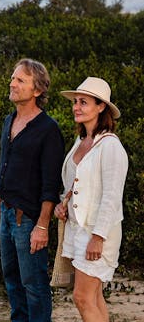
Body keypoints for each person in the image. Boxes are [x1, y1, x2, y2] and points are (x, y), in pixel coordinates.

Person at [0, 58, 65, 322]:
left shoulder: (48, 129)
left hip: (29, 219)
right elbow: (4, 166)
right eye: (13, 77)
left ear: (37, 90)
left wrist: (42, 226)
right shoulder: (8, 121)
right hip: (7, 214)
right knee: (12, 280)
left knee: (33, 285)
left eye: (20, 80)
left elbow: (50, 184)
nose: (12, 83)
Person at [54, 77, 128, 322]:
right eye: (75, 102)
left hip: (98, 233)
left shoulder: (110, 147)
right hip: (77, 230)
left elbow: (111, 196)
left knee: (82, 297)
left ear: (101, 107)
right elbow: (74, 187)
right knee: (94, 297)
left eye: (83, 102)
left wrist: (98, 237)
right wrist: (62, 205)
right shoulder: (80, 142)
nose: (76, 106)